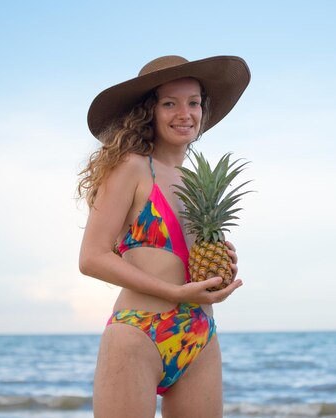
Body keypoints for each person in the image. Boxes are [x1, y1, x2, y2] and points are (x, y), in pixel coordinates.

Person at [77, 55, 250, 418]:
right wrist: (173, 292)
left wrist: (221, 266)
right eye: (169, 103)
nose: (184, 113)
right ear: (149, 111)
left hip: (200, 336)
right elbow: (91, 257)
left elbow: (188, 261)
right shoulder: (132, 167)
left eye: (193, 102)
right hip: (138, 332)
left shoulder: (198, 184)